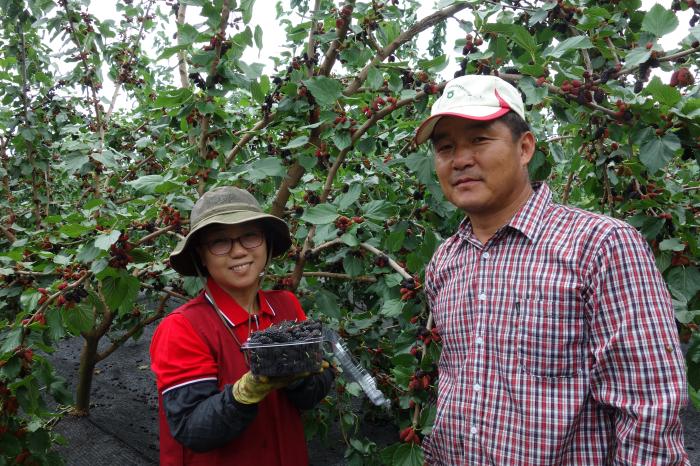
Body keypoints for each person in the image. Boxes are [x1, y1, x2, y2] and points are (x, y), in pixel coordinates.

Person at [414, 75, 689, 465]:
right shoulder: (445, 262)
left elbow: (650, 406)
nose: (460, 160)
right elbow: (457, 386)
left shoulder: (599, 245)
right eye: (445, 147)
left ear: (524, 147)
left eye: (479, 140)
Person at [150, 186, 334, 465]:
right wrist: (244, 392)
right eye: (220, 242)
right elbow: (192, 430)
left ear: (266, 242)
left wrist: (306, 378)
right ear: (201, 254)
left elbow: (309, 397)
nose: (238, 252)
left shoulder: (285, 306)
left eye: (250, 236)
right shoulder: (184, 328)